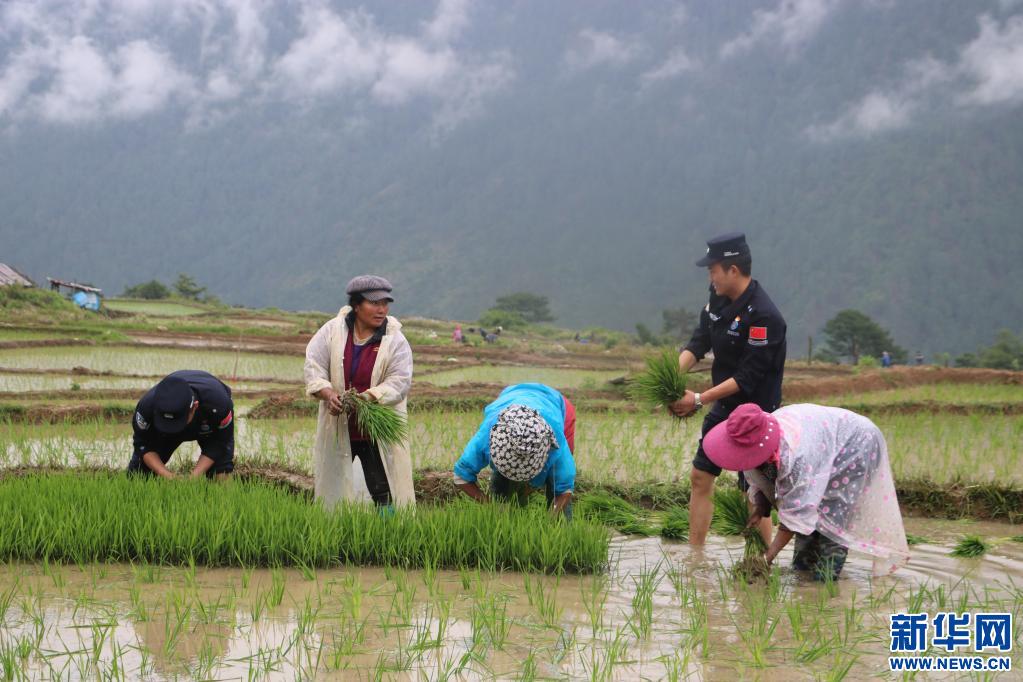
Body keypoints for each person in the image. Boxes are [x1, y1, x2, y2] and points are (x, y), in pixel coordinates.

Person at [702, 403, 910, 580]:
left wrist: (766, 559)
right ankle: (802, 575)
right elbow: (762, 480)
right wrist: (760, 509)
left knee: (834, 518)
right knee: (809, 532)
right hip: (823, 443)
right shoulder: (752, 445)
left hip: (856, 444)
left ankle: (825, 582)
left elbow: (797, 514)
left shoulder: (796, 456)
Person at [671, 232, 787, 546]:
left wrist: (698, 399)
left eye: (713, 270)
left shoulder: (764, 316)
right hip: (724, 407)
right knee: (700, 476)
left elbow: (748, 377)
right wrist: (671, 377)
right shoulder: (717, 297)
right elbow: (699, 341)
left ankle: (759, 559)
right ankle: (695, 555)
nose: (710, 276)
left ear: (732, 270)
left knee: (753, 491)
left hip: (756, 414)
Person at [304, 275, 415, 510]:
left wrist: (368, 398)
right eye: (374, 303)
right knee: (332, 485)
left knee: (384, 487)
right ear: (356, 305)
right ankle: (332, 527)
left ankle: (391, 527)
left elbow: (400, 381)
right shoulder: (332, 331)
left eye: (385, 303)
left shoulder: (394, 338)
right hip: (338, 424)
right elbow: (314, 367)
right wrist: (328, 394)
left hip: (375, 428)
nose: (381, 309)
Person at [453, 383, 576, 517]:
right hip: (511, 395)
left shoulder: (556, 443)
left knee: (556, 479)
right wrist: (490, 506)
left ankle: (560, 523)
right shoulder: (488, 435)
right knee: (500, 485)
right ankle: (504, 511)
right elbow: (461, 477)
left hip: (555, 404)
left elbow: (565, 489)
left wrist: (551, 517)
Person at [127, 370, 235, 479]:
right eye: (167, 423)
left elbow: (220, 442)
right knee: (138, 474)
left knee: (221, 473)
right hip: (162, 434)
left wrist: (194, 476)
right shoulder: (147, 406)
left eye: (177, 422)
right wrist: (167, 475)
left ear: (194, 407)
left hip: (209, 426)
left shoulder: (218, 405)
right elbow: (143, 444)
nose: (172, 428)